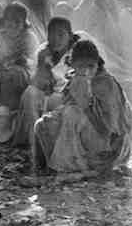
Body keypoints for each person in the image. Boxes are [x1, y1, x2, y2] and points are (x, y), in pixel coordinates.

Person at [31, 40, 132, 174]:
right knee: (42, 125)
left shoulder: (105, 84)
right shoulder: (76, 79)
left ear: (98, 63)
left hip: (109, 145)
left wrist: (85, 106)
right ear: (72, 64)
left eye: (91, 66)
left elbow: (111, 131)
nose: (86, 71)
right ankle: (43, 168)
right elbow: (65, 103)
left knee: (71, 113)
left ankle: (69, 165)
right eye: (80, 66)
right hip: (88, 132)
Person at [15, 17, 90, 147]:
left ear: (70, 36)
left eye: (61, 34)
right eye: (52, 35)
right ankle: (34, 138)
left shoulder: (80, 50)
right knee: (30, 93)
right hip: (52, 93)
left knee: (57, 101)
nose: (56, 39)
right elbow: (37, 82)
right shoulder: (44, 51)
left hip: (74, 96)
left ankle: (59, 143)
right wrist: (43, 64)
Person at [73, 0, 132, 71]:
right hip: (89, 46)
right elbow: (76, 24)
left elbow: (127, 33)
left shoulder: (119, 7)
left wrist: (109, 12)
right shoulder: (86, 3)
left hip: (113, 49)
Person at [0, 2, 40, 111]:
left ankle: (16, 112)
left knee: (16, 74)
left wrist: (24, 61)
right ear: (4, 21)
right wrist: (5, 63)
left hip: (22, 78)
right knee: (4, 74)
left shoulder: (30, 38)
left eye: (17, 21)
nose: (12, 24)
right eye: (9, 20)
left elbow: (35, 64)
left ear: (24, 23)